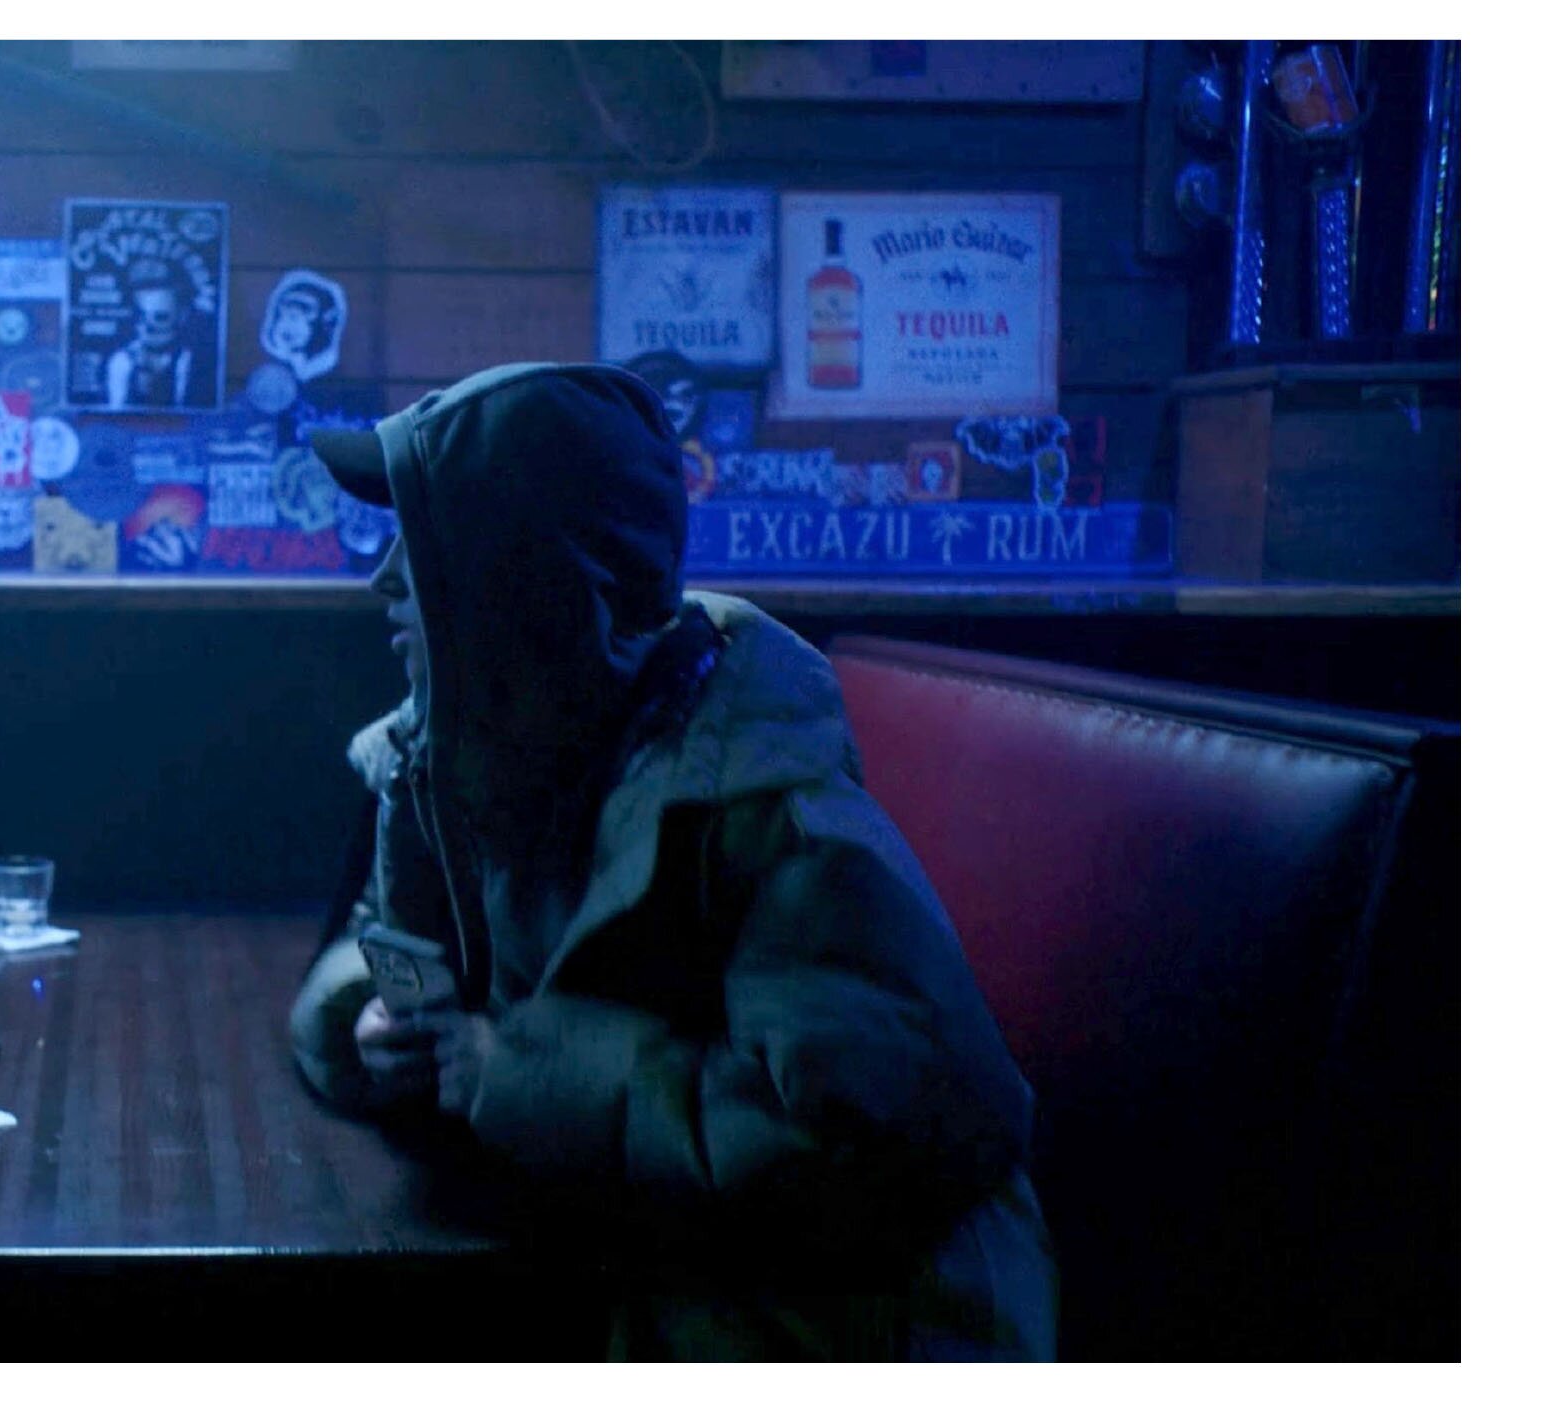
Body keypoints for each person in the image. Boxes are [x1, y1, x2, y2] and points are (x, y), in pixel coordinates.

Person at [286, 362, 1057, 1360]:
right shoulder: (461, 755)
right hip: (634, 1263)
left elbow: (865, 1153)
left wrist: (512, 1072)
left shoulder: (778, 818)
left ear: (545, 592)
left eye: (430, 546)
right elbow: (386, 948)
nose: (385, 577)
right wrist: (370, 1023)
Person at [103, 268, 200, 409]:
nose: (148, 326)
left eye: (160, 317)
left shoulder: (189, 361)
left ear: (181, 316)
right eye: (141, 316)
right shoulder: (122, 361)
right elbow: (115, 412)